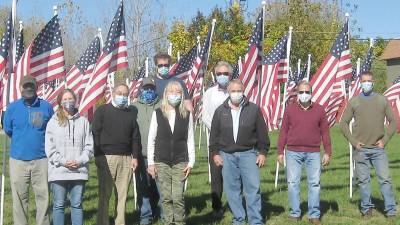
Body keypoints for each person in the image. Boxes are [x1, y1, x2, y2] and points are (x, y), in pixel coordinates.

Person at [209, 79, 269, 225]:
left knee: (253, 188)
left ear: (243, 91)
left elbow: (262, 134)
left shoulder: (254, 109)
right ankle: (238, 218)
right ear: (228, 92)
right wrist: (215, 153)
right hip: (226, 155)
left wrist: (262, 152)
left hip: (248, 154)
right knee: (232, 190)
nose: (236, 93)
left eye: (239, 90)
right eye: (233, 91)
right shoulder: (220, 111)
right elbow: (214, 136)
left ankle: (255, 220)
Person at [340, 71, 397, 218]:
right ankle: (367, 209)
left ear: (373, 82)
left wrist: (385, 140)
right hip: (361, 149)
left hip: (379, 149)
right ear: (360, 83)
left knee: (385, 180)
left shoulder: (382, 100)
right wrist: (353, 142)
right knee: (363, 182)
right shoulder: (354, 101)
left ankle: (390, 210)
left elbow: (394, 121)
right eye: (364, 81)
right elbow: (343, 123)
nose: (367, 83)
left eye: (369, 81)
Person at [277, 81, 331, 225]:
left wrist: (327, 151)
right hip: (293, 152)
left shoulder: (319, 110)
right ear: (297, 94)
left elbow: (325, 132)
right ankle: (295, 213)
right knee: (293, 183)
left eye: (307, 92)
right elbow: (284, 132)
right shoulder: (289, 109)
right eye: (301, 92)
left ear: (311, 93)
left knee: (314, 184)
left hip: (313, 153)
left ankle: (314, 215)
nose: (304, 95)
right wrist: (280, 151)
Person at [3, 75, 54, 225]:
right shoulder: (12, 108)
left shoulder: (46, 107)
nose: (28, 89)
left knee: (43, 197)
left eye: (31, 86)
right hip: (18, 160)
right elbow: (8, 130)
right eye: (25, 86)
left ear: (36, 87)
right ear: (20, 88)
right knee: (19, 198)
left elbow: (51, 130)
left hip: (41, 160)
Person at [92, 83, 141, 225]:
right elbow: (95, 132)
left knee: (122, 196)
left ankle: (120, 222)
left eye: (125, 94)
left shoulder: (131, 114)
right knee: (104, 195)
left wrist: (135, 156)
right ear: (113, 94)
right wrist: (98, 155)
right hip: (107, 157)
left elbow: (135, 137)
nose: (123, 96)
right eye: (120, 93)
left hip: (126, 158)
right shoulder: (102, 110)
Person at [147, 81, 195, 225]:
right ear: (166, 94)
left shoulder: (187, 115)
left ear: (182, 95)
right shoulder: (158, 113)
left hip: (180, 161)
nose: (174, 95)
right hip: (161, 162)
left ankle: (180, 222)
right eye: (171, 92)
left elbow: (190, 139)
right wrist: (151, 163)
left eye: (178, 92)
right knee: (166, 197)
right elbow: (151, 139)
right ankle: (168, 221)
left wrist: (191, 162)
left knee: (178, 197)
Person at [45, 89, 94, 225]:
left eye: (70, 99)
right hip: (59, 171)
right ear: (60, 102)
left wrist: (79, 161)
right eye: (65, 99)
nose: (68, 102)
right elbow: (50, 149)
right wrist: (64, 162)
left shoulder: (84, 122)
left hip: (79, 171)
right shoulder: (52, 122)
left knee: (77, 205)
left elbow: (89, 147)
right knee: (59, 205)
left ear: (75, 100)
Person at [201, 61, 231, 219]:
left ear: (230, 75)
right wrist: (217, 130)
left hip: (234, 141)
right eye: (219, 73)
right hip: (216, 140)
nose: (222, 76)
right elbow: (205, 115)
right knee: (216, 176)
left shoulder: (235, 91)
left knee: (234, 176)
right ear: (215, 75)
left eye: (225, 73)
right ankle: (217, 207)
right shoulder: (209, 93)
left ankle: (235, 206)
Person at [132, 77, 162, 225]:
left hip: (159, 154)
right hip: (140, 154)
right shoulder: (134, 106)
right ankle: (145, 216)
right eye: (146, 88)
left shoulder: (163, 105)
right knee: (143, 186)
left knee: (159, 186)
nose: (148, 90)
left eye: (151, 88)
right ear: (141, 89)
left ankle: (160, 212)